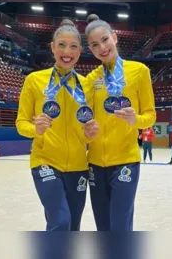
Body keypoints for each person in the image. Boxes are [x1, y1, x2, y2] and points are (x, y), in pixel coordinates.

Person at [16, 20, 100, 231]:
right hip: (45, 162)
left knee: (72, 226)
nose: (67, 51)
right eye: (61, 45)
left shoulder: (86, 85)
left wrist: (90, 134)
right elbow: (21, 123)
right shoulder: (34, 80)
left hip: (79, 167)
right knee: (61, 221)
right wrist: (36, 129)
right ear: (52, 47)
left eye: (73, 46)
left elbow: (85, 132)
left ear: (80, 51)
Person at [84, 14, 156, 231]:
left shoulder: (139, 71)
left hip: (126, 161)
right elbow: (82, 118)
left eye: (105, 40)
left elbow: (150, 116)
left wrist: (136, 120)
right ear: (90, 49)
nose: (102, 48)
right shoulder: (91, 80)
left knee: (120, 224)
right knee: (103, 226)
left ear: (114, 37)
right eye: (95, 45)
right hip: (95, 163)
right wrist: (85, 129)